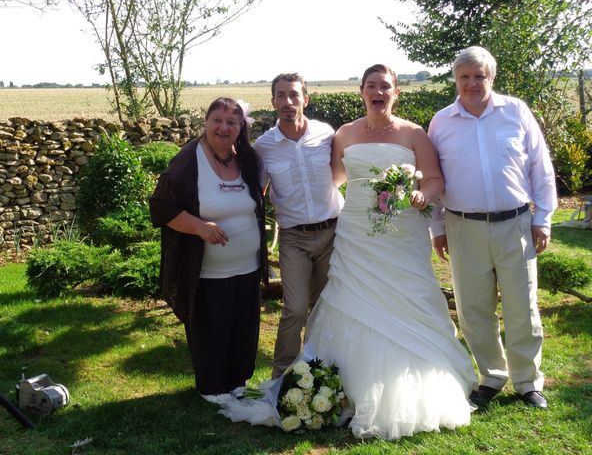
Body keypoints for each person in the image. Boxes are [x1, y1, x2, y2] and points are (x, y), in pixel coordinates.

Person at [219, 64, 477, 440]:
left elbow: (434, 177)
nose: (378, 91)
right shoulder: (343, 134)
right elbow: (333, 178)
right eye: (371, 86)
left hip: (402, 233)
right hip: (355, 230)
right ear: (361, 91)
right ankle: (324, 380)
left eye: (385, 86)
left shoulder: (414, 133)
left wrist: (423, 194)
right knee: (342, 299)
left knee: (406, 298)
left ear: (395, 92)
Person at [428, 46, 558, 409]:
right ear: (455, 79)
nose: (472, 83)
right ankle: (492, 376)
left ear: (492, 77)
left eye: (479, 76)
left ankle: (527, 380)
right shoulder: (441, 122)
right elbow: (434, 178)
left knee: (523, 307)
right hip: (462, 227)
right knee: (473, 309)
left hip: (515, 224)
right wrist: (436, 228)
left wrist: (542, 218)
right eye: (464, 76)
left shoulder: (516, 111)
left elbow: (540, 168)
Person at [149, 97, 268, 402]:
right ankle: (212, 387)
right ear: (206, 121)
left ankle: (237, 380)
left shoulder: (247, 159)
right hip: (207, 270)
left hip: (248, 265)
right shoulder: (189, 160)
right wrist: (201, 227)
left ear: (241, 127)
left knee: (243, 325)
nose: (223, 127)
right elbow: (161, 207)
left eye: (232, 122)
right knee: (211, 327)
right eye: (217, 119)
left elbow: (258, 196)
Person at [254, 73, 344, 378]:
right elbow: (256, 192)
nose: (288, 102)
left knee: (323, 308)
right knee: (294, 309)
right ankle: (282, 377)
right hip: (294, 238)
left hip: (333, 233)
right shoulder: (265, 146)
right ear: (273, 102)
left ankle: (319, 374)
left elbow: (343, 174)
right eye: (281, 96)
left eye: (294, 95)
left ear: (305, 99)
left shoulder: (326, 134)